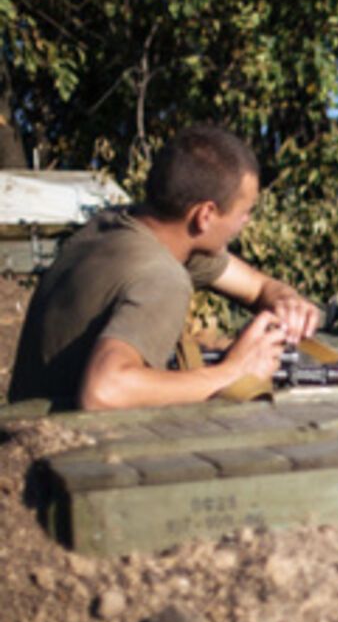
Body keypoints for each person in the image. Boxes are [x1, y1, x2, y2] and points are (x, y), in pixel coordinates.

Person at [8, 124, 320, 410]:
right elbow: (104, 392)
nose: (246, 222)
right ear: (206, 215)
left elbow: (256, 286)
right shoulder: (162, 277)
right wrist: (234, 371)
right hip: (57, 449)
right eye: (245, 212)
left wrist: (285, 299)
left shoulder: (116, 226)